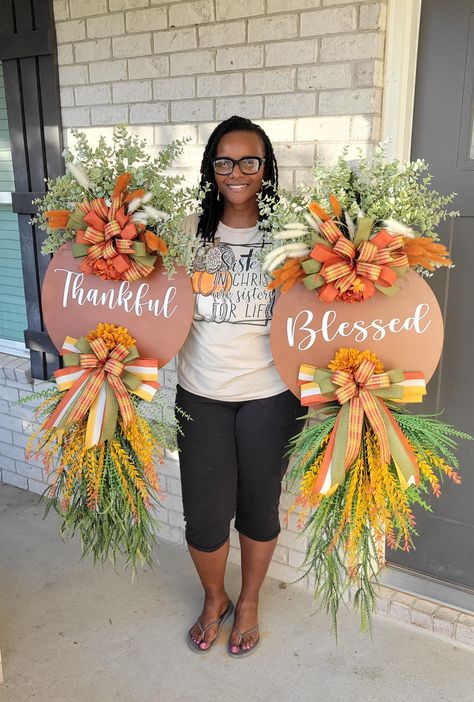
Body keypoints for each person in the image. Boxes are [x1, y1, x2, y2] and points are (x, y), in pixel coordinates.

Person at [176, 115, 307, 657]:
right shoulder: (185, 232)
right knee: (205, 515)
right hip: (201, 393)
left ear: (266, 169)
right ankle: (215, 598)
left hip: (270, 396)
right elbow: (146, 303)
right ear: (212, 168)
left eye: (249, 161)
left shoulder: (295, 238)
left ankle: (248, 600)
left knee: (259, 504)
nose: (236, 172)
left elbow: (325, 310)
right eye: (224, 161)